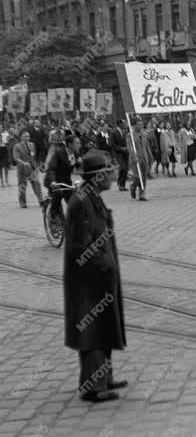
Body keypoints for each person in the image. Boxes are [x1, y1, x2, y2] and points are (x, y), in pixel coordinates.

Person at [63, 150, 127, 403]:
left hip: (101, 278)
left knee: (105, 329)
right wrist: (104, 264)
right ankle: (92, 387)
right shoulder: (81, 202)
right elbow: (81, 246)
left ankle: (104, 378)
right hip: (88, 282)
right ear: (98, 176)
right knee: (92, 333)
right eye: (108, 172)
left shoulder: (93, 197)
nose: (112, 175)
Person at [44, 133, 82, 222]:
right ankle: (52, 216)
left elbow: (80, 168)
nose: (79, 145)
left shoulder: (75, 153)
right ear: (70, 144)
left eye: (79, 143)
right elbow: (51, 169)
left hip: (66, 181)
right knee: (58, 193)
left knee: (74, 203)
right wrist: (53, 181)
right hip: (54, 181)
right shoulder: (59, 153)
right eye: (77, 143)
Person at [13, 130, 44, 209]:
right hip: (22, 169)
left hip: (33, 169)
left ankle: (41, 200)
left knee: (37, 184)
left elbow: (33, 156)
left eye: (28, 136)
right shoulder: (17, 146)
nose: (27, 138)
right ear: (21, 137)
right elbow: (16, 158)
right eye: (25, 136)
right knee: (22, 186)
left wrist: (38, 165)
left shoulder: (32, 144)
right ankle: (22, 203)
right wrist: (23, 163)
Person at [127, 118, 153, 201]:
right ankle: (133, 187)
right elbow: (130, 147)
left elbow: (147, 146)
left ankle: (142, 194)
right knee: (137, 177)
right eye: (138, 124)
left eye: (141, 124)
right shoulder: (129, 135)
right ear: (134, 125)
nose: (140, 126)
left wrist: (150, 155)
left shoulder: (144, 134)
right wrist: (134, 156)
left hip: (144, 157)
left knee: (144, 176)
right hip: (135, 158)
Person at [110, 120, 129, 192]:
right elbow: (112, 144)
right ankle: (119, 183)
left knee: (126, 169)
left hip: (125, 153)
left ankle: (122, 185)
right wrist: (121, 148)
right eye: (124, 123)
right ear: (120, 124)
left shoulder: (124, 132)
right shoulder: (114, 132)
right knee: (123, 168)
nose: (125, 125)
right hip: (118, 153)